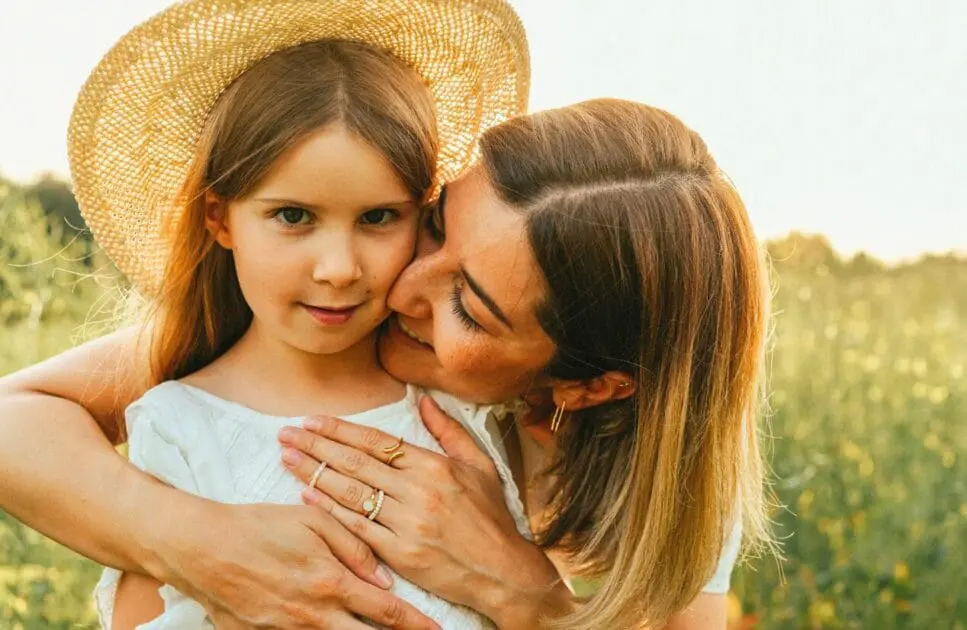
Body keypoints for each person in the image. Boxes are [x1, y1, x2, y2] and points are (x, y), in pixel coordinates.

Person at [0, 4, 772, 630]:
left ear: (589, 387)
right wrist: (200, 544)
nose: (388, 287)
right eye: (434, 226)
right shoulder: (242, 376)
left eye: (467, 305)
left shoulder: (651, 464)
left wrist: (528, 599)